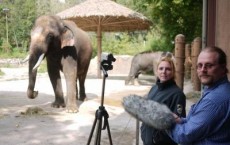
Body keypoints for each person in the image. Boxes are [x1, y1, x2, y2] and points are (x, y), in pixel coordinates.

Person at [168, 46, 230, 145]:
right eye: (199, 65)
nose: (203, 70)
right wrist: (180, 120)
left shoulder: (214, 100)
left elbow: (184, 135)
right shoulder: (218, 90)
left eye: (209, 65)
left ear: (223, 68)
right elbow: (201, 122)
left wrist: (165, 121)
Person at [141, 52, 186, 145]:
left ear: (173, 72)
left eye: (168, 69)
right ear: (157, 71)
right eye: (161, 68)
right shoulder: (154, 88)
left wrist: (156, 138)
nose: (164, 72)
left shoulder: (177, 94)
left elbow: (177, 123)